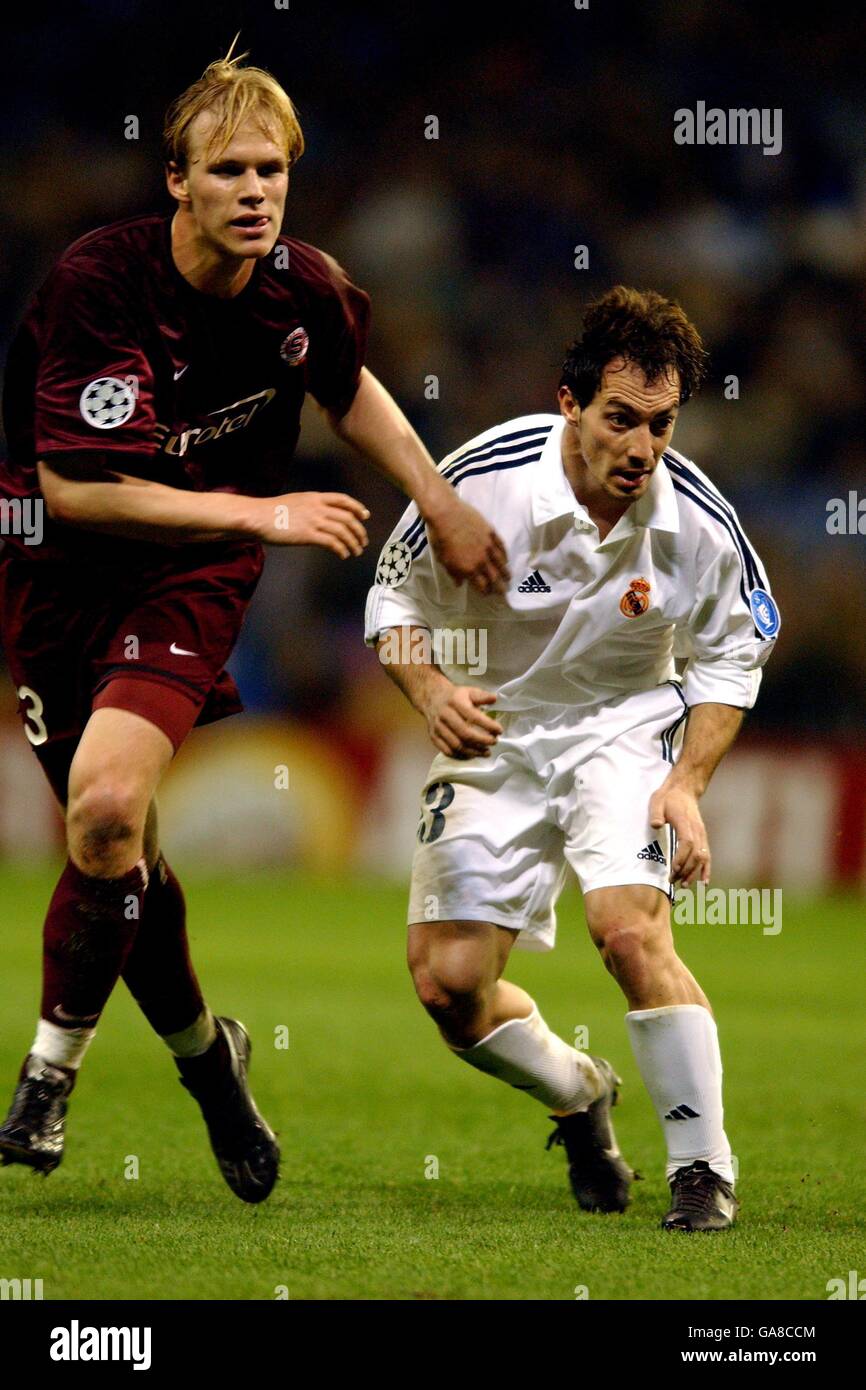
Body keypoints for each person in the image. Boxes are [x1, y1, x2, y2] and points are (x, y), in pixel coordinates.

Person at [0, 47, 508, 1203]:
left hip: (188, 574)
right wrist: (265, 506)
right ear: (174, 180)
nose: (253, 191)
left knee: (108, 802)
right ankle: (208, 1066)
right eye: (226, 169)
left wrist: (433, 496)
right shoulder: (97, 283)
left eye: (270, 170)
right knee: (110, 848)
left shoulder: (302, 288)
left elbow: (346, 381)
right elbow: (77, 485)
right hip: (56, 566)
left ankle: (47, 1072)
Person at [365, 285, 780, 1231]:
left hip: (623, 726)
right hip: (493, 726)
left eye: (662, 424)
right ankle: (581, 1092)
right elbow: (393, 603)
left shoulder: (700, 523)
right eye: (621, 419)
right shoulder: (483, 479)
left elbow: (735, 649)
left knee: (629, 930)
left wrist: (687, 781)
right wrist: (432, 693)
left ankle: (702, 1170)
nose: (641, 448)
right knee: (449, 986)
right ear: (570, 403)